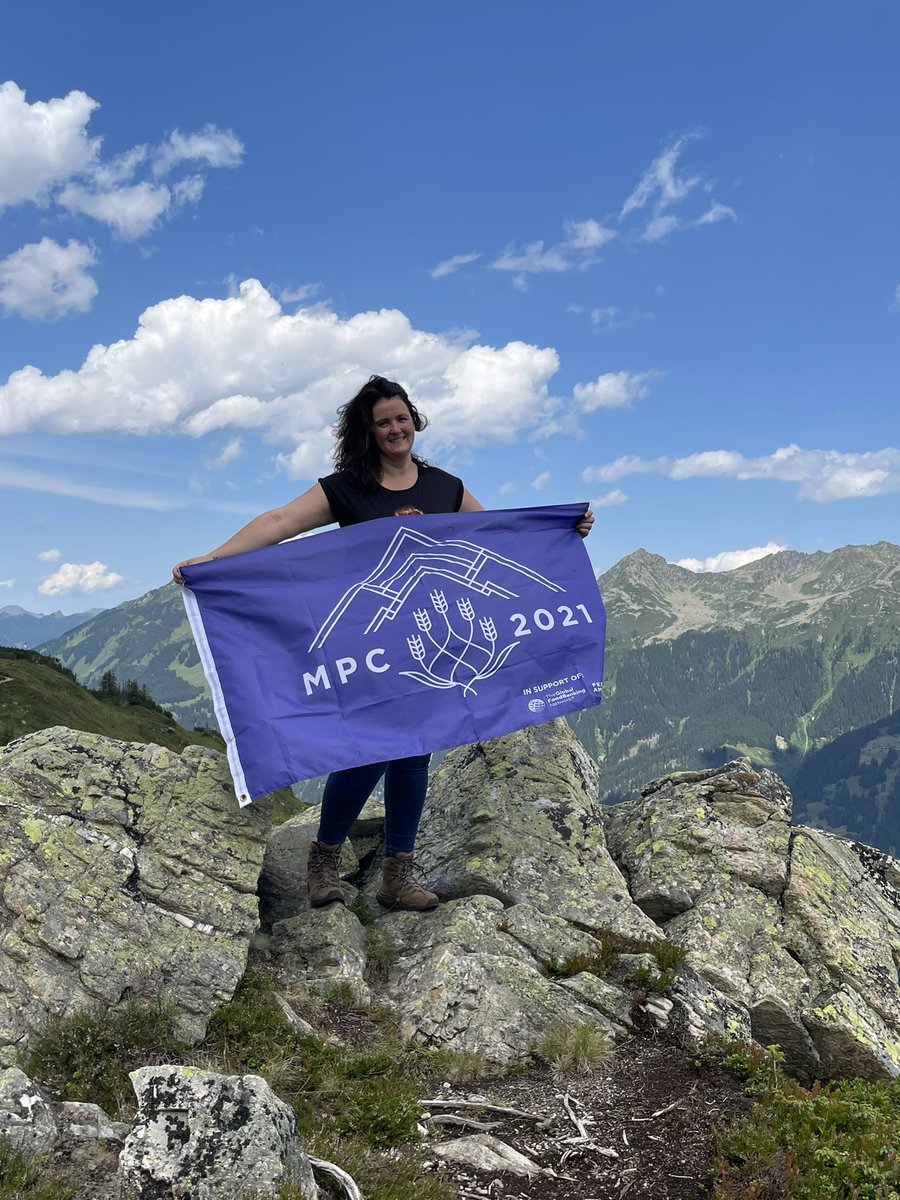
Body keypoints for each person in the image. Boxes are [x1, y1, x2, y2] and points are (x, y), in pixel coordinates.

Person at [173, 374, 594, 914]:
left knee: (416, 749)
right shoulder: (347, 487)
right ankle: (323, 860)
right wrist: (217, 558)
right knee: (368, 747)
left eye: (402, 418)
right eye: (383, 422)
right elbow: (282, 521)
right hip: (374, 642)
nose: (396, 429)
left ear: (413, 421)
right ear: (368, 432)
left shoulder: (446, 487)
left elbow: (500, 534)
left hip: (435, 635)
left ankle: (398, 871)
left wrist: (562, 530)